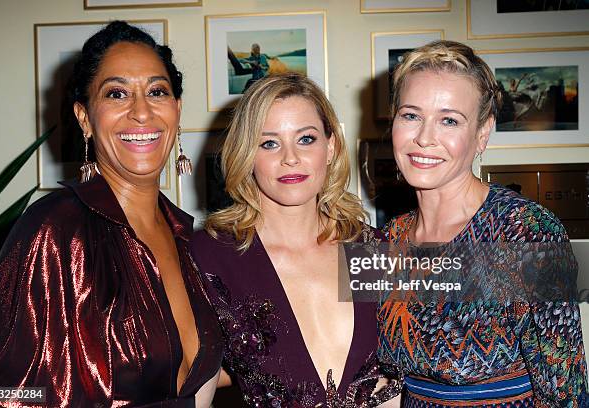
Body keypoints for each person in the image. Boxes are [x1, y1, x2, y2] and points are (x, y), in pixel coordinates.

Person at [0, 21, 222, 407]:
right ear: (85, 118)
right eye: (117, 93)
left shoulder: (190, 238)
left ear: (177, 110)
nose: (142, 112)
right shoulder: (55, 231)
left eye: (157, 91)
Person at [377, 40, 588, 406]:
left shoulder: (526, 232)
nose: (424, 138)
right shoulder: (389, 236)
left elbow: (564, 389)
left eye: (449, 120)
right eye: (410, 115)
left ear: (482, 133)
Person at [190, 72, 401, 407]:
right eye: (269, 143)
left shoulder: (370, 249)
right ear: (247, 154)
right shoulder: (210, 256)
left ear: (330, 147)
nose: (290, 157)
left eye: (306, 139)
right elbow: (192, 387)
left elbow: (498, 284)